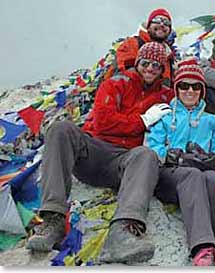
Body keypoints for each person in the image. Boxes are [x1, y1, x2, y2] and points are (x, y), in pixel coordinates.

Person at [26, 42, 174, 265]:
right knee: (60, 129)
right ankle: (53, 219)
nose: (150, 69)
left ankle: (122, 232)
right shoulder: (115, 83)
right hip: (93, 150)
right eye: (145, 63)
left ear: (163, 70)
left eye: (156, 65)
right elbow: (104, 122)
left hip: (124, 161)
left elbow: (186, 101)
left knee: (146, 155)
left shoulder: (165, 96)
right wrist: (142, 120)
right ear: (137, 62)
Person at [145, 58, 215, 266]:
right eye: (183, 86)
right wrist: (175, 156)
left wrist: (211, 161)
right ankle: (203, 246)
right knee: (192, 174)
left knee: (214, 179)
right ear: (176, 89)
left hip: (202, 176)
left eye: (195, 86)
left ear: (201, 90)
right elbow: (152, 147)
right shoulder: (164, 116)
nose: (189, 91)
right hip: (169, 177)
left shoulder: (211, 120)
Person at [108, 8, 175, 86]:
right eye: (157, 20)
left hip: (158, 97)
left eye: (167, 23)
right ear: (148, 26)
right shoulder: (133, 43)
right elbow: (122, 71)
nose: (162, 24)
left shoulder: (169, 56)